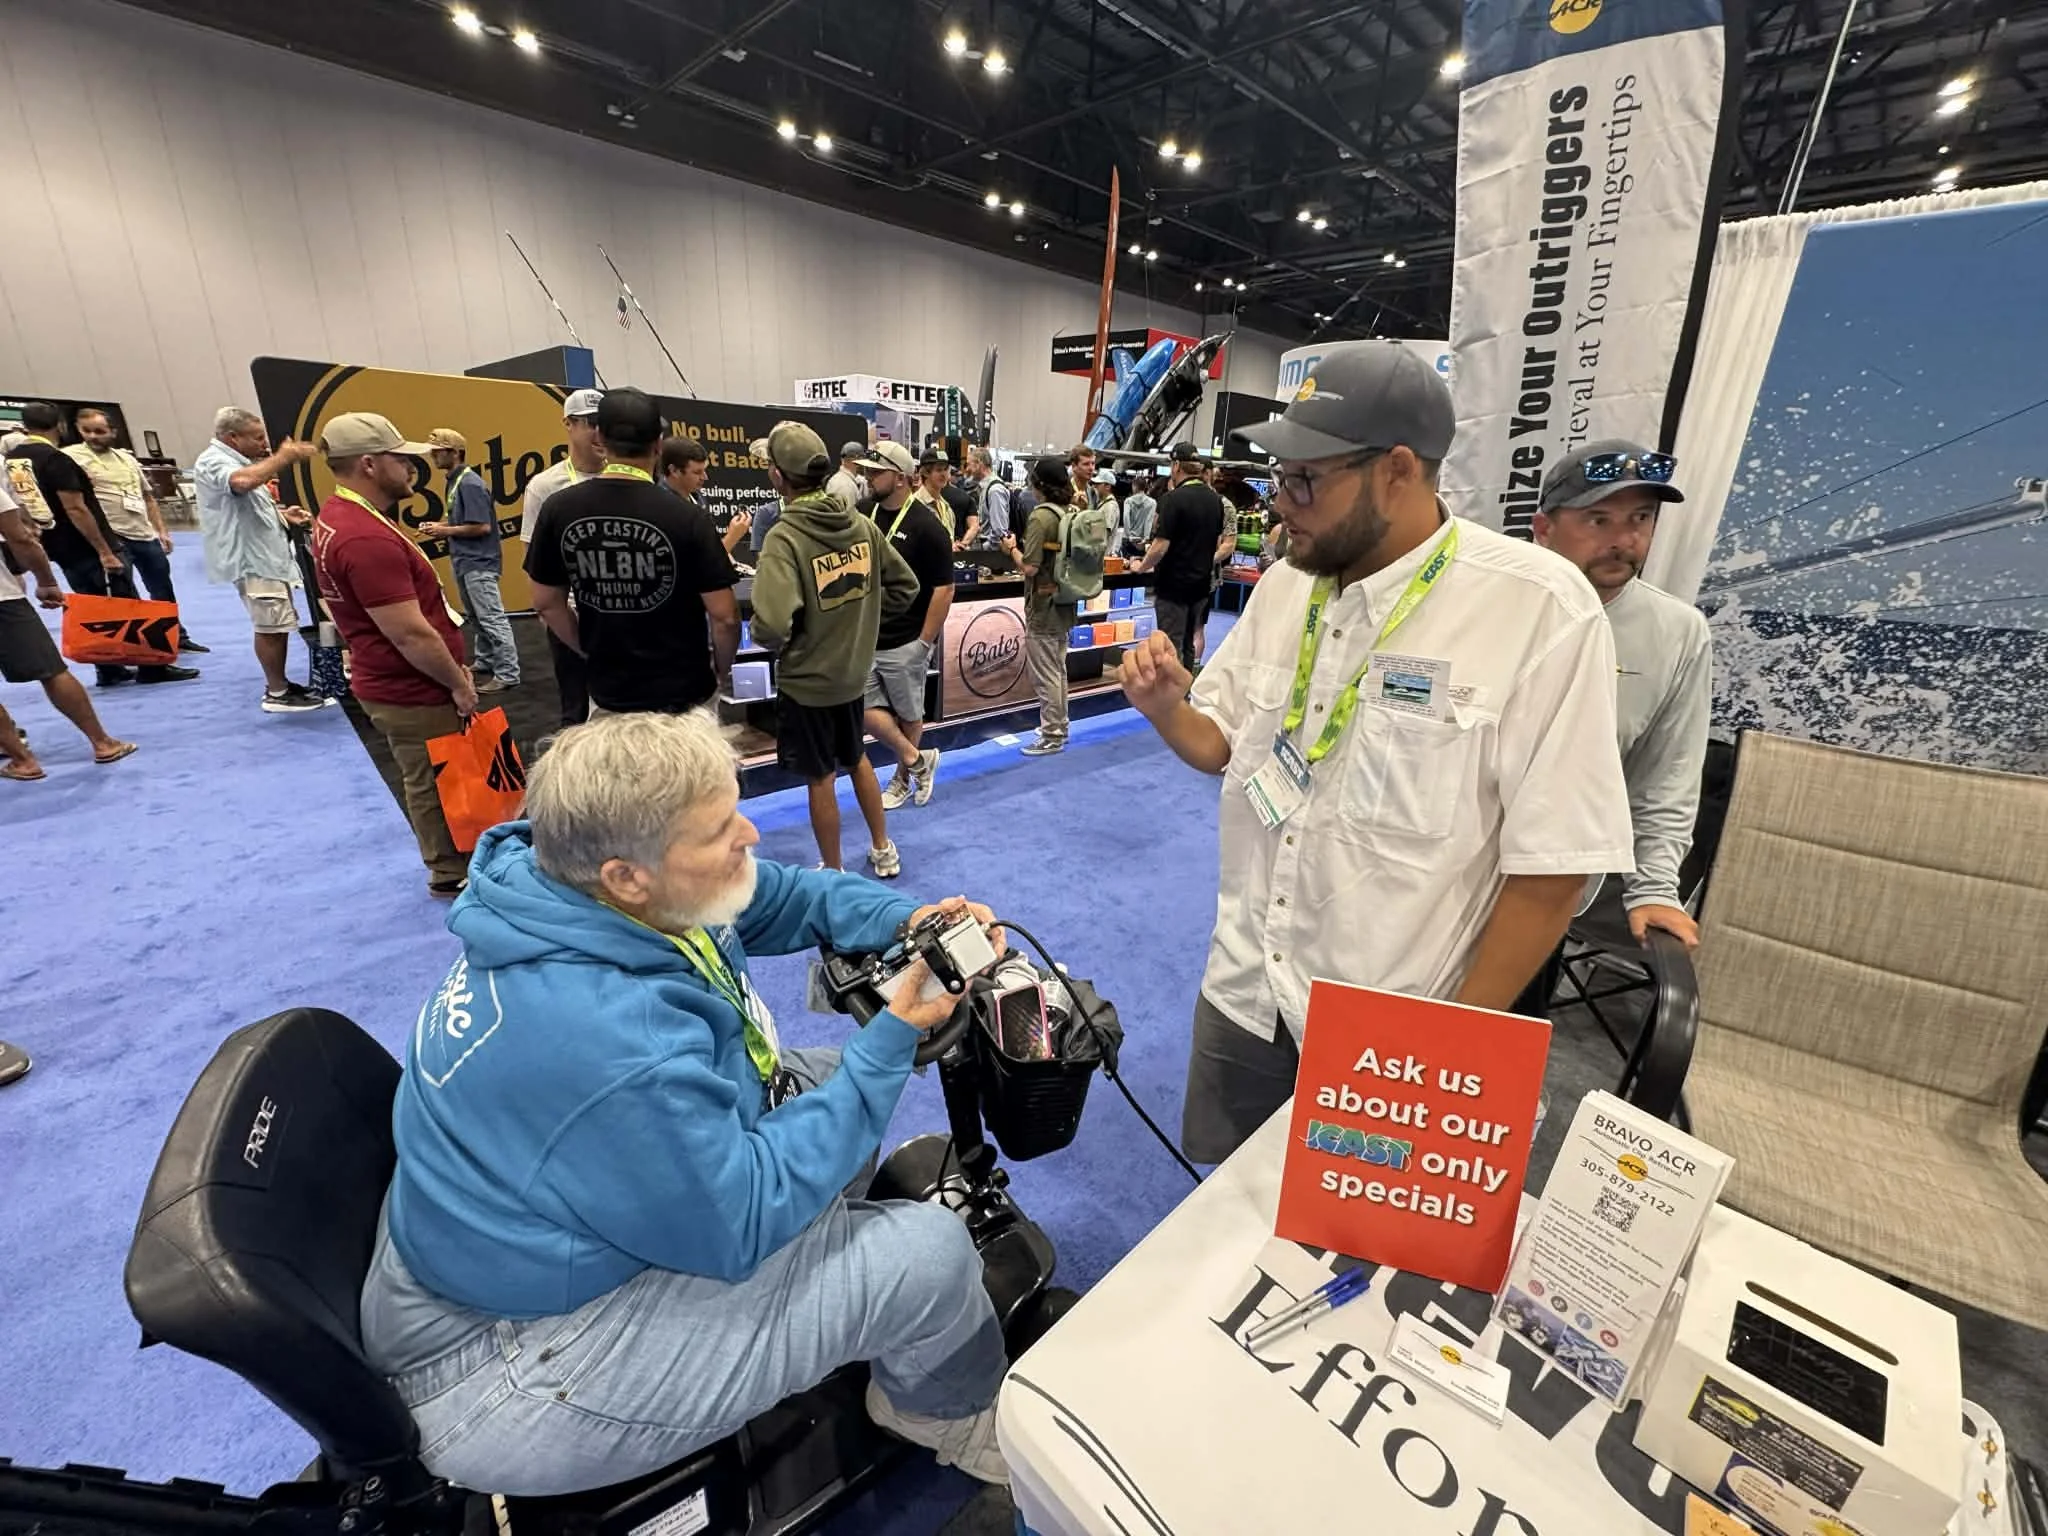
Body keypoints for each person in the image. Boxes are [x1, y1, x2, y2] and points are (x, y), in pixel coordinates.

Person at [357, 711, 1012, 1494]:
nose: (751, 835)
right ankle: (943, 1412)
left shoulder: (569, 885)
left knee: (812, 1086)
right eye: (720, 829)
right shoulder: (608, 1040)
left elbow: (777, 897)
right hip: (507, 1372)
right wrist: (891, 1038)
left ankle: (832, 1291)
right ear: (627, 876)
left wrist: (905, 919)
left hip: (523, 1256)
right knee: (931, 1256)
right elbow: (737, 1219)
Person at [1119, 340, 1635, 1164]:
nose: (1279, 503)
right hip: (1246, 985)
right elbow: (1220, 746)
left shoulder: (1537, 609)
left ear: (1398, 470)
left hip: (1390, 1024)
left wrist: (1448, 1042)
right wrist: (1163, 708)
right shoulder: (1290, 584)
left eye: (1304, 481)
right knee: (1220, 1215)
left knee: (1348, 1259)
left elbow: (1555, 867)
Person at [1533, 440, 1711, 949]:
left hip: (1551, 889)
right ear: (1544, 529)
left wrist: (1654, 888)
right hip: (1433, 875)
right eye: (1599, 520)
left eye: (1640, 518)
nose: (1623, 539)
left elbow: (1666, 776)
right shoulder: (1487, 602)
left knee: (1502, 1024)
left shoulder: (1679, 632)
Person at [311, 411, 476, 898]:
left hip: (394, 679)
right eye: (400, 459)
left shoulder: (342, 520)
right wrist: (458, 684)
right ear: (368, 464)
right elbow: (410, 634)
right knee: (433, 778)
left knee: (425, 775)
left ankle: (451, 864)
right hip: (410, 686)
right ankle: (451, 870)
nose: (411, 468)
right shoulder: (364, 537)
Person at [749, 421, 917, 876]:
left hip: (808, 683)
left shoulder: (786, 537)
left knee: (820, 776)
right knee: (858, 758)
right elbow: (905, 587)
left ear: (778, 477)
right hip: (852, 674)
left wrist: (808, 634)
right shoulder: (860, 523)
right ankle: (883, 848)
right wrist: (857, 625)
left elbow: (769, 625)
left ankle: (834, 871)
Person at [526, 391, 741, 721]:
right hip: (683, 693)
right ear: (658, 443)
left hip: (609, 691)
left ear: (600, 437)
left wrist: (588, 650)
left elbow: (545, 602)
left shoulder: (559, 507)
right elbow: (725, 617)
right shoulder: (686, 516)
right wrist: (721, 669)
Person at [8, 402, 199, 690]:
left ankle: (109, 668)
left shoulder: (13, 460)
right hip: (85, 544)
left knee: (93, 606)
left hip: (58, 545)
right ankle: (151, 666)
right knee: (125, 603)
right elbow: (76, 509)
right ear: (61, 426)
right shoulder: (57, 459)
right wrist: (105, 551)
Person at [193, 406, 331, 712]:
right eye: (256, 438)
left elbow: (243, 505)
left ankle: (280, 684)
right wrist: (284, 457)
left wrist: (282, 515)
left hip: (264, 557)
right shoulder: (215, 461)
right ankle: (277, 692)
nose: (263, 445)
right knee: (270, 626)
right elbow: (241, 483)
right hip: (251, 560)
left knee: (278, 624)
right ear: (232, 437)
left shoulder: (238, 461)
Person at [0, 478, 136, 779]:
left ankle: (22, 760)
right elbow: (19, 537)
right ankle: (102, 742)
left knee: (53, 672)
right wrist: (46, 581)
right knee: (52, 671)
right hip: (3, 597)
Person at [857, 441, 951, 810]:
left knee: (909, 715)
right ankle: (918, 760)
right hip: (865, 639)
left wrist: (923, 643)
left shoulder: (928, 526)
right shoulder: (863, 513)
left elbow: (944, 589)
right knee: (860, 709)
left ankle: (901, 780)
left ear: (898, 478)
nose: (866, 477)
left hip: (906, 640)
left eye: (874, 472)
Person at [67, 408, 206, 652]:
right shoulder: (71, 458)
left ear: (113, 432)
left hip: (143, 533)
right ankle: (140, 649)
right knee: (124, 595)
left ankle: (176, 637)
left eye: (100, 431)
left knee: (162, 588)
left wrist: (161, 531)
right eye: (86, 431)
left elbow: (148, 497)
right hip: (111, 536)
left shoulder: (127, 459)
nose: (93, 436)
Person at [520, 389, 605, 727]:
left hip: (623, 614)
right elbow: (533, 558)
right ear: (568, 425)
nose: (600, 433)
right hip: (572, 614)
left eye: (605, 424)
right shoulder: (545, 485)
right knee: (577, 710)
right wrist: (555, 618)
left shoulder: (628, 478)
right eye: (591, 424)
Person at [417, 428, 519, 694]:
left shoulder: (470, 483)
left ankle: (508, 672)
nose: (434, 456)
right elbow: (465, 522)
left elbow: (482, 527)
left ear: (456, 453)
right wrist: (440, 526)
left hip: (479, 562)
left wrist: (443, 531)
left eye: (439, 451)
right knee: (476, 617)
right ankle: (486, 661)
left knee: (491, 617)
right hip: (466, 560)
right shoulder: (456, 480)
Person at [1001, 455, 1080, 759]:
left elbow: (1030, 567)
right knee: (1057, 669)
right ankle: (1059, 725)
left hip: (1043, 604)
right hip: (1064, 599)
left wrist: (1012, 550)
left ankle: (1052, 734)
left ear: (1038, 485)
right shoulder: (1069, 512)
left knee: (1045, 673)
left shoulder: (1040, 517)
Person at [1134, 442, 1228, 673]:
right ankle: (1183, 697)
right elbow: (1216, 541)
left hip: (1173, 587)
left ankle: (1169, 702)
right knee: (1187, 644)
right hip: (1200, 586)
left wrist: (1141, 566)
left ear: (1176, 466)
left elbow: (1160, 546)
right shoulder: (1215, 500)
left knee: (1170, 645)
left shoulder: (1173, 499)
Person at [660, 434, 751, 557]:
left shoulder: (698, 498)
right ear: (674, 471)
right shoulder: (663, 508)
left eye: (704, 470)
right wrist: (732, 537)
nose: (705, 477)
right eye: (697, 472)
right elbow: (701, 563)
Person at [958, 445, 1010, 550]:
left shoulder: (995, 491)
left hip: (992, 558)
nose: (967, 469)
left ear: (979, 464)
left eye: (969, 465)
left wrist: (981, 548)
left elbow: (999, 533)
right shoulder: (984, 488)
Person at [915, 448, 958, 541]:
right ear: (925, 472)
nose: (944, 474)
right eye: (938, 470)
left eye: (946, 469)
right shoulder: (915, 504)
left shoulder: (946, 508)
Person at [1120, 473, 1158, 559]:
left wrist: (1128, 536)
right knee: (1140, 566)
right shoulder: (1152, 502)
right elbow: (1149, 520)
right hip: (1142, 542)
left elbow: (1126, 518)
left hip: (1129, 540)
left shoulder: (1128, 501)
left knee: (1125, 567)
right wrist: (1146, 538)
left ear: (1134, 486)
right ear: (1145, 487)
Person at [826, 439, 866, 514]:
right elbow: (849, 518)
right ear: (857, 459)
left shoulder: (840, 479)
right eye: (862, 457)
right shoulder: (845, 486)